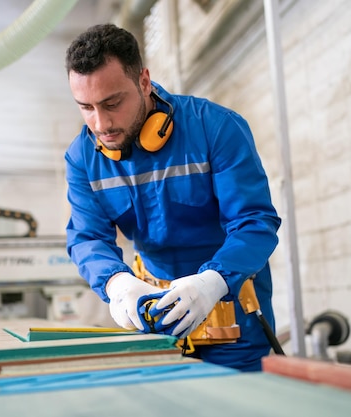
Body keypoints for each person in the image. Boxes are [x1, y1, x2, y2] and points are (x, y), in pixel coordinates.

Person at [63, 23, 281, 372]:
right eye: (86, 107)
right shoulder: (83, 158)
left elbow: (255, 223)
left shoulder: (215, 128)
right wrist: (118, 285)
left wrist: (212, 283)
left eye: (112, 103)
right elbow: (87, 238)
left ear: (144, 82)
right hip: (155, 321)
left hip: (233, 316)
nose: (101, 124)